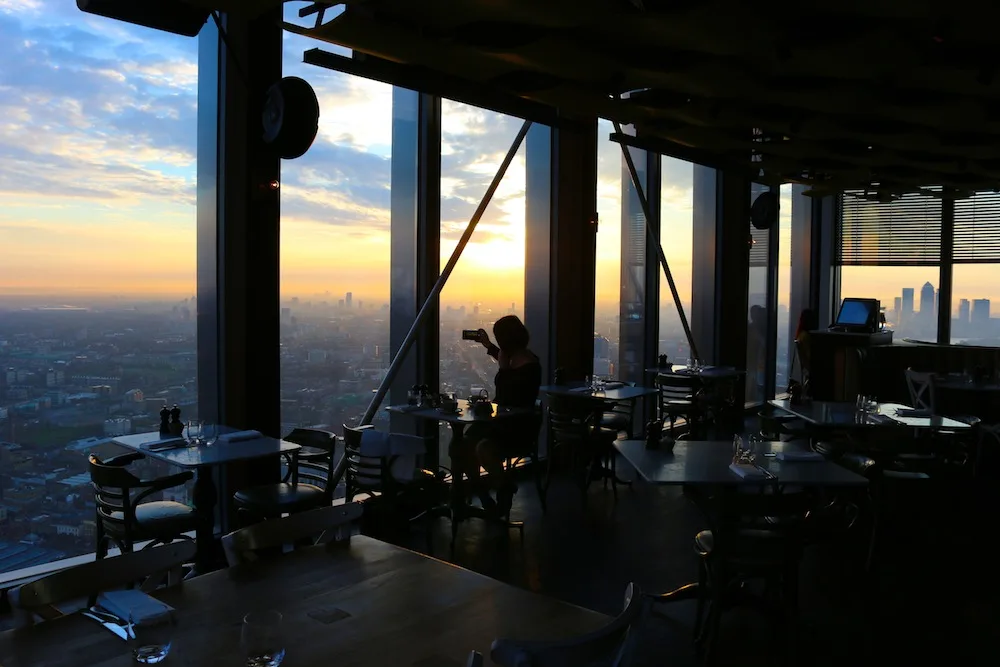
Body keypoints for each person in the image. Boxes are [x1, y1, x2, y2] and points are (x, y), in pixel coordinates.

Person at [459, 315, 541, 516]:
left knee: (478, 446)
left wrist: (502, 368)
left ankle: (502, 489)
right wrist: (488, 345)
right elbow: (508, 364)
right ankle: (488, 495)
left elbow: (510, 392)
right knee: (463, 445)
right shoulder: (523, 359)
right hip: (502, 423)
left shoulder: (525, 367)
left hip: (515, 427)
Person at [794, 308, 819, 381]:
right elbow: (810, 356)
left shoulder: (800, 335)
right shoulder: (806, 337)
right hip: (812, 369)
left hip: (807, 370)